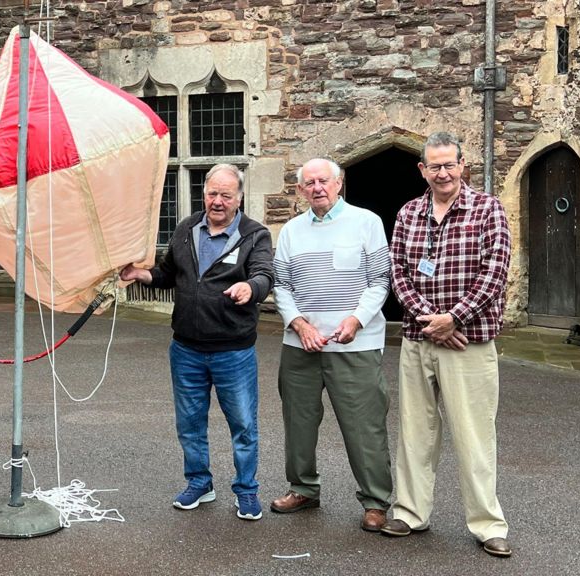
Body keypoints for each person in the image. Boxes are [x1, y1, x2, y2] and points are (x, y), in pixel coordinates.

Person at [382, 132, 513, 558]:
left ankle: (488, 524)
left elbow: (495, 272)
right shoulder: (409, 213)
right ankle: (410, 512)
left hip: (468, 343)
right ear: (422, 169)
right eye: (434, 166)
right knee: (415, 431)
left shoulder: (488, 209)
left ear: (463, 166)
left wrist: (453, 318)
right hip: (420, 341)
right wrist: (430, 321)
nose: (443, 173)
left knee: (475, 436)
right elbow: (397, 273)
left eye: (449, 165)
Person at [120, 163, 273, 521]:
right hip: (186, 348)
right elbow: (169, 274)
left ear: (240, 198)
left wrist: (251, 288)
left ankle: (247, 490)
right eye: (212, 193)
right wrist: (142, 274)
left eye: (226, 195)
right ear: (204, 193)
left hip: (233, 351)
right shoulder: (188, 227)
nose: (217, 201)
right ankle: (199, 482)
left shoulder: (255, 235)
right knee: (189, 423)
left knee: (243, 425)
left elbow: (266, 274)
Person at [270, 158, 393, 532]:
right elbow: (281, 285)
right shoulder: (291, 230)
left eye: (324, 180)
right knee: (299, 423)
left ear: (339, 183)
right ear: (300, 190)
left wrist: (356, 319)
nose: (317, 187)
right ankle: (303, 488)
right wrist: (299, 324)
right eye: (309, 183)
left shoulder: (366, 222)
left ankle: (375, 501)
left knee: (364, 426)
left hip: (354, 344)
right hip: (300, 345)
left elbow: (380, 281)